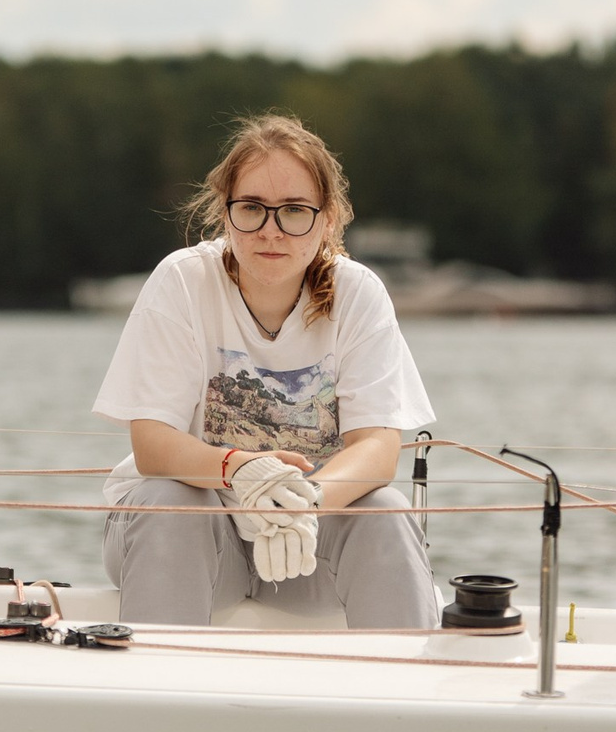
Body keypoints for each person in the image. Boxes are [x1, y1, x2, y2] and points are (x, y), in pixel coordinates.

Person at [94, 114, 435, 629]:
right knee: (170, 500)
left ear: (327, 219)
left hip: (305, 542)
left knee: (385, 512)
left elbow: (378, 450)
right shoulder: (183, 281)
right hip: (194, 540)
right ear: (225, 213)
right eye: (252, 208)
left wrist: (304, 505)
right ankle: (155, 696)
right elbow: (152, 444)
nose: (271, 230)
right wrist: (240, 470)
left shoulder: (358, 293)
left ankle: (404, 699)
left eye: (294, 211)